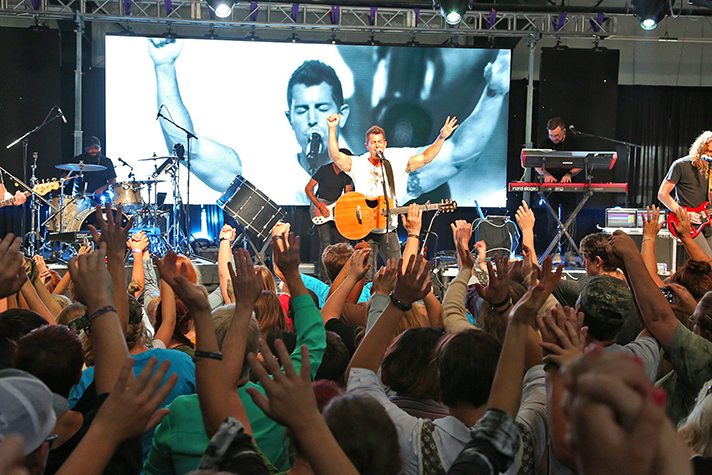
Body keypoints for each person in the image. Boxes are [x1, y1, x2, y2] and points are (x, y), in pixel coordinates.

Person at [148, 39, 510, 205]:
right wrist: (165, 67)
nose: (313, 120)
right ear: (289, 119)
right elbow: (188, 150)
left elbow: (460, 154)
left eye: (323, 108)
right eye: (302, 111)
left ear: (343, 114)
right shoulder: (260, 170)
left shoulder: (380, 168)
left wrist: (493, 94)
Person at [326, 116, 459, 273]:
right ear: (367, 146)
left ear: (385, 144)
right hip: (364, 228)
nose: (377, 145)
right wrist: (332, 129)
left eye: (380, 142)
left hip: (388, 228)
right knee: (366, 274)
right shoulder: (358, 164)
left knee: (396, 271)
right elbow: (335, 156)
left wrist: (441, 138)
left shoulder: (393, 165)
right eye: (373, 142)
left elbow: (425, 158)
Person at [658, 131, 712, 256]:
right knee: (706, 264)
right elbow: (662, 194)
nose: (711, 156)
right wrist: (683, 213)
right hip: (689, 223)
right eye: (709, 151)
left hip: (708, 221)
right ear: (700, 149)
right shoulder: (681, 165)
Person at [306, 156, 353, 281]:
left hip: (336, 208)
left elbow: (347, 196)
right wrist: (320, 206)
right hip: (320, 206)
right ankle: (324, 277)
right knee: (326, 243)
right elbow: (308, 189)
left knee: (345, 241)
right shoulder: (324, 169)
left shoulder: (346, 175)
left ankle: (344, 275)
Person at [62, 136, 117, 201]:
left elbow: (113, 181)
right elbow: (65, 178)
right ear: (86, 149)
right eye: (90, 148)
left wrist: (101, 189)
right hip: (79, 198)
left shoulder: (106, 161)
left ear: (100, 149)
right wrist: (64, 179)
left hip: (101, 197)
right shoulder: (77, 160)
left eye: (96, 148)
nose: (93, 150)